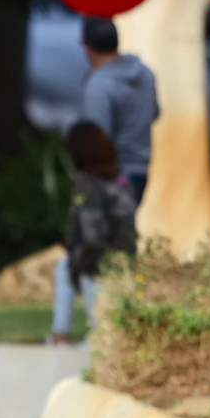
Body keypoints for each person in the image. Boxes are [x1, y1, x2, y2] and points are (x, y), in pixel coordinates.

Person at [52, 121, 137, 345]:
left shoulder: (89, 186)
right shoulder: (120, 181)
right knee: (63, 266)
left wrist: (75, 260)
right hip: (126, 261)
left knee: (100, 337)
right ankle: (59, 335)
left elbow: (93, 238)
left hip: (102, 266)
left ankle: (59, 337)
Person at [79, 17, 159, 203]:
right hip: (140, 170)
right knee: (124, 229)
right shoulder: (145, 74)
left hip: (111, 175)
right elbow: (154, 113)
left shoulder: (99, 84)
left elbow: (96, 137)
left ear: (88, 47)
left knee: (103, 231)